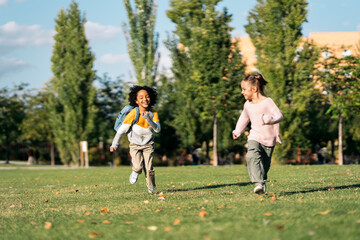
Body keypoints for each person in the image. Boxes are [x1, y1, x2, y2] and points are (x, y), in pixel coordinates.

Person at [232, 74, 283, 194]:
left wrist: (269, 119)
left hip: (269, 140)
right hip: (254, 136)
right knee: (251, 156)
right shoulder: (247, 105)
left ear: (254, 89)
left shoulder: (268, 102)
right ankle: (258, 184)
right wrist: (237, 131)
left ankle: (261, 181)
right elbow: (244, 118)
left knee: (264, 167)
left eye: (244, 89)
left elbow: (279, 116)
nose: (242, 92)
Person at [110, 85, 161, 194]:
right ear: (136, 100)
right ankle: (135, 171)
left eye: (147, 96)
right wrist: (114, 144)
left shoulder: (153, 113)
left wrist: (148, 118)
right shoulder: (134, 113)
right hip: (135, 145)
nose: (145, 99)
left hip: (148, 145)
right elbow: (122, 130)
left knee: (149, 168)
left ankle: (151, 187)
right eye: (141, 97)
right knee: (138, 167)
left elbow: (157, 130)